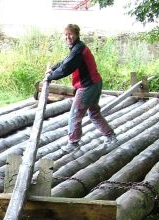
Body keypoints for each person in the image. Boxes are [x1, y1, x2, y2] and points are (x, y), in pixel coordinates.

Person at [46, 24, 117, 153]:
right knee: (94, 113)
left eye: (70, 34)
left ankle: (73, 143)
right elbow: (65, 61)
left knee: (75, 114)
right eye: (66, 34)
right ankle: (110, 136)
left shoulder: (78, 50)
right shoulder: (77, 47)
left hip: (88, 86)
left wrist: (50, 77)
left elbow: (66, 68)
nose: (68, 37)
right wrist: (53, 69)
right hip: (95, 83)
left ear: (77, 34)